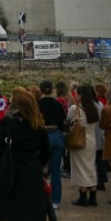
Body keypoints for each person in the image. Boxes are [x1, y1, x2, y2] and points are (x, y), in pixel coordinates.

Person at [0, 88, 51, 221]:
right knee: (36, 215)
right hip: (32, 170)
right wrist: (40, 166)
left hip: (14, 170)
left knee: (15, 215)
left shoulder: (8, 122)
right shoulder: (37, 123)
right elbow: (46, 150)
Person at [68, 85, 102, 207]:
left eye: (77, 94)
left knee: (81, 168)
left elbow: (68, 120)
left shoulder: (75, 108)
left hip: (80, 139)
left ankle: (83, 195)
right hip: (91, 139)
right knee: (90, 167)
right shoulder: (94, 108)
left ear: (81, 95)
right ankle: (93, 195)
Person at [37, 80, 66, 209]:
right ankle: (55, 200)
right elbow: (63, 121)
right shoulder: (58, 104)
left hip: (44, 135)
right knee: (55, 170)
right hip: (57, 135)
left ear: (41, 90)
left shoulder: (38, 104)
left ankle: (40, 196)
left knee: (38, 168)